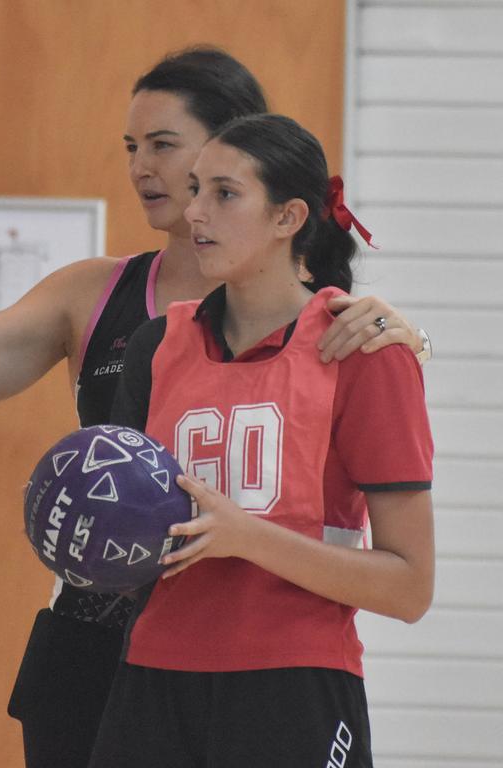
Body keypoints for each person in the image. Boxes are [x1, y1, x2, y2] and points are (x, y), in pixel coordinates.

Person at [0, 48, 430, 768]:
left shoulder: (345, 332)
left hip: (264, 661)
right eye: (131, 148)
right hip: (104, 640)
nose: (142, 167)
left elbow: (402, 567)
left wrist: (407, 336)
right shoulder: (112, 305)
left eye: (164, 146)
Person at [92, 113, 435, 767]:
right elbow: (129, 535)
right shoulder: (156, 345)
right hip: (153, 678)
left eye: (225, 193)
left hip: (295, 686)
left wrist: (246, 538)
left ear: (289, 218)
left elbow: (410, 586)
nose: (195, 211)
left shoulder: (361, 349)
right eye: (195, 189)